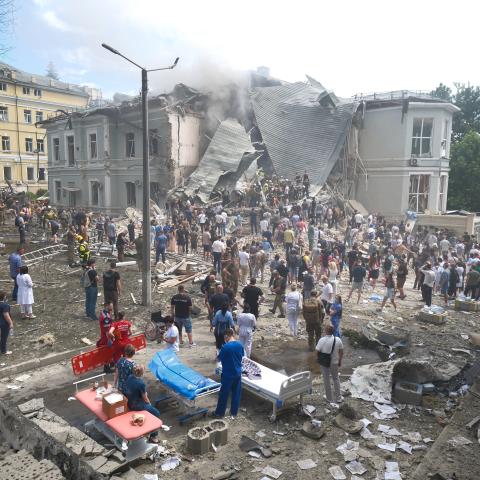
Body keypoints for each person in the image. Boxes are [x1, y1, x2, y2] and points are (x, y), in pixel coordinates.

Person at [214, 328, 244, 419]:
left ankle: (219, 413)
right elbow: (242, 356)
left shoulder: (225, 347)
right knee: (236, 394)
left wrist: (216, 355)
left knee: (224, 394)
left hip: (228, 374)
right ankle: (233, 413)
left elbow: (219, 359)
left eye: (224, 337)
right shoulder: (240, 345)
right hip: (238, 373)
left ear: (227, 336)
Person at [125, 365, 160, 443]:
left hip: (129, 401)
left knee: (150, 409)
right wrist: (149, 404)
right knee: (156, 413)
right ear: (141, 373)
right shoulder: (140, 383)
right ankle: (153, 436)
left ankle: (149, 430)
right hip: (136, 405)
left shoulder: (129, 377)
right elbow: (145, 398)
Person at [316, 324, 344, 406]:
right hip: (334, 362)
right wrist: (340, 360)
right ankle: (339, 398)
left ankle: (329, 398)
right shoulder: (338, 339)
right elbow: (341, 351)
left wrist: (319, 359)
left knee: (326, 379)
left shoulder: (322, 340)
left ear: (325, 331)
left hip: (325, 363)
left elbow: (317, 351)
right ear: (333, 331)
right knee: (336, 379)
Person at [0, 291, 13, 355]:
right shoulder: (5, 305)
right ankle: (4, 351)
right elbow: (6, 315)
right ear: (4, 297)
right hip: (3, 324)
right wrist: (10, 323)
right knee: (4, 337)